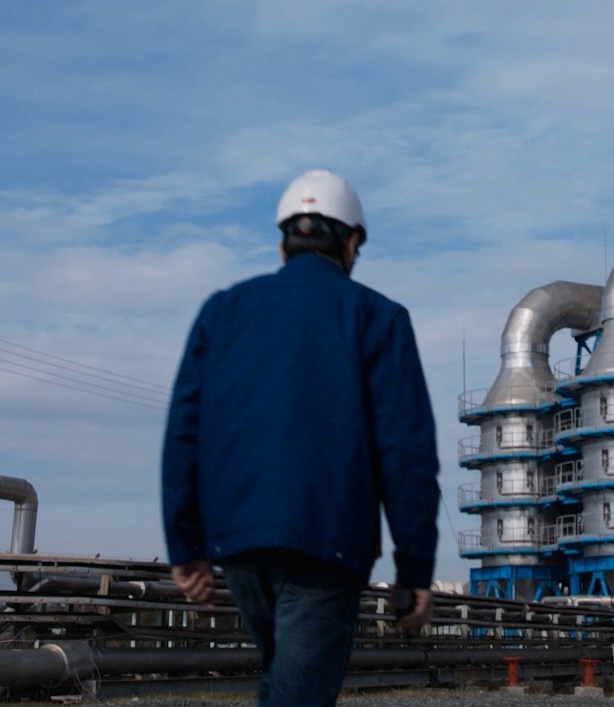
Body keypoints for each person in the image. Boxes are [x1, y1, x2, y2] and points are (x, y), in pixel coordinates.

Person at [162, 169, 439, 707]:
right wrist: (415, 570)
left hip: (238, 542)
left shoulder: (222, 310)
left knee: (282, 682)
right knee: (297, 694)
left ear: (282, 243)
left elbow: (184, 434)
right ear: (351, 243)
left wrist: (185, 545)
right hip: (327, 542)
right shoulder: (378, 318)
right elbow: (405, 454)